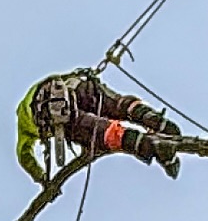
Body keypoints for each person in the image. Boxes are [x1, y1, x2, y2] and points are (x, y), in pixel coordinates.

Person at [16, 70, 182, 185]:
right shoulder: (40, 88)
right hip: (74, 87)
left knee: (103, 133)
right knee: (117, 104)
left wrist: (42, 178)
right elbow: (62, 78)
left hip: (55, 114)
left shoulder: (25, 125)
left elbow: (25, 156)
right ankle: (154, 120)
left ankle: (150, 145)